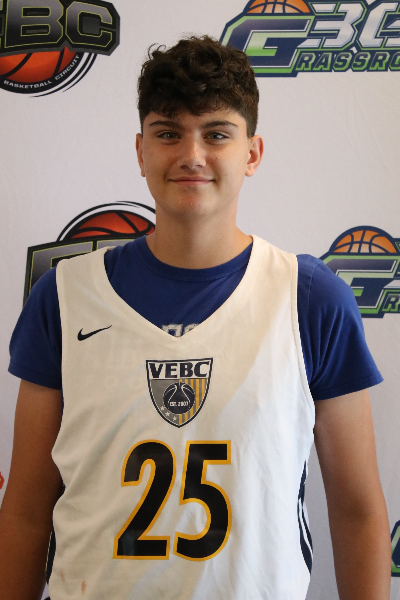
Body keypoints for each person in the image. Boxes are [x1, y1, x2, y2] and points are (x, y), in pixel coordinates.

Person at [0, 36, 391, 600]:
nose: (191, 154)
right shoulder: (64, 298)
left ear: (252, 153)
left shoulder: (309, 299)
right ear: (140, 151)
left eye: (216, 133)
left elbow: (356, 509)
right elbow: (25, 510)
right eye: (168, 133)